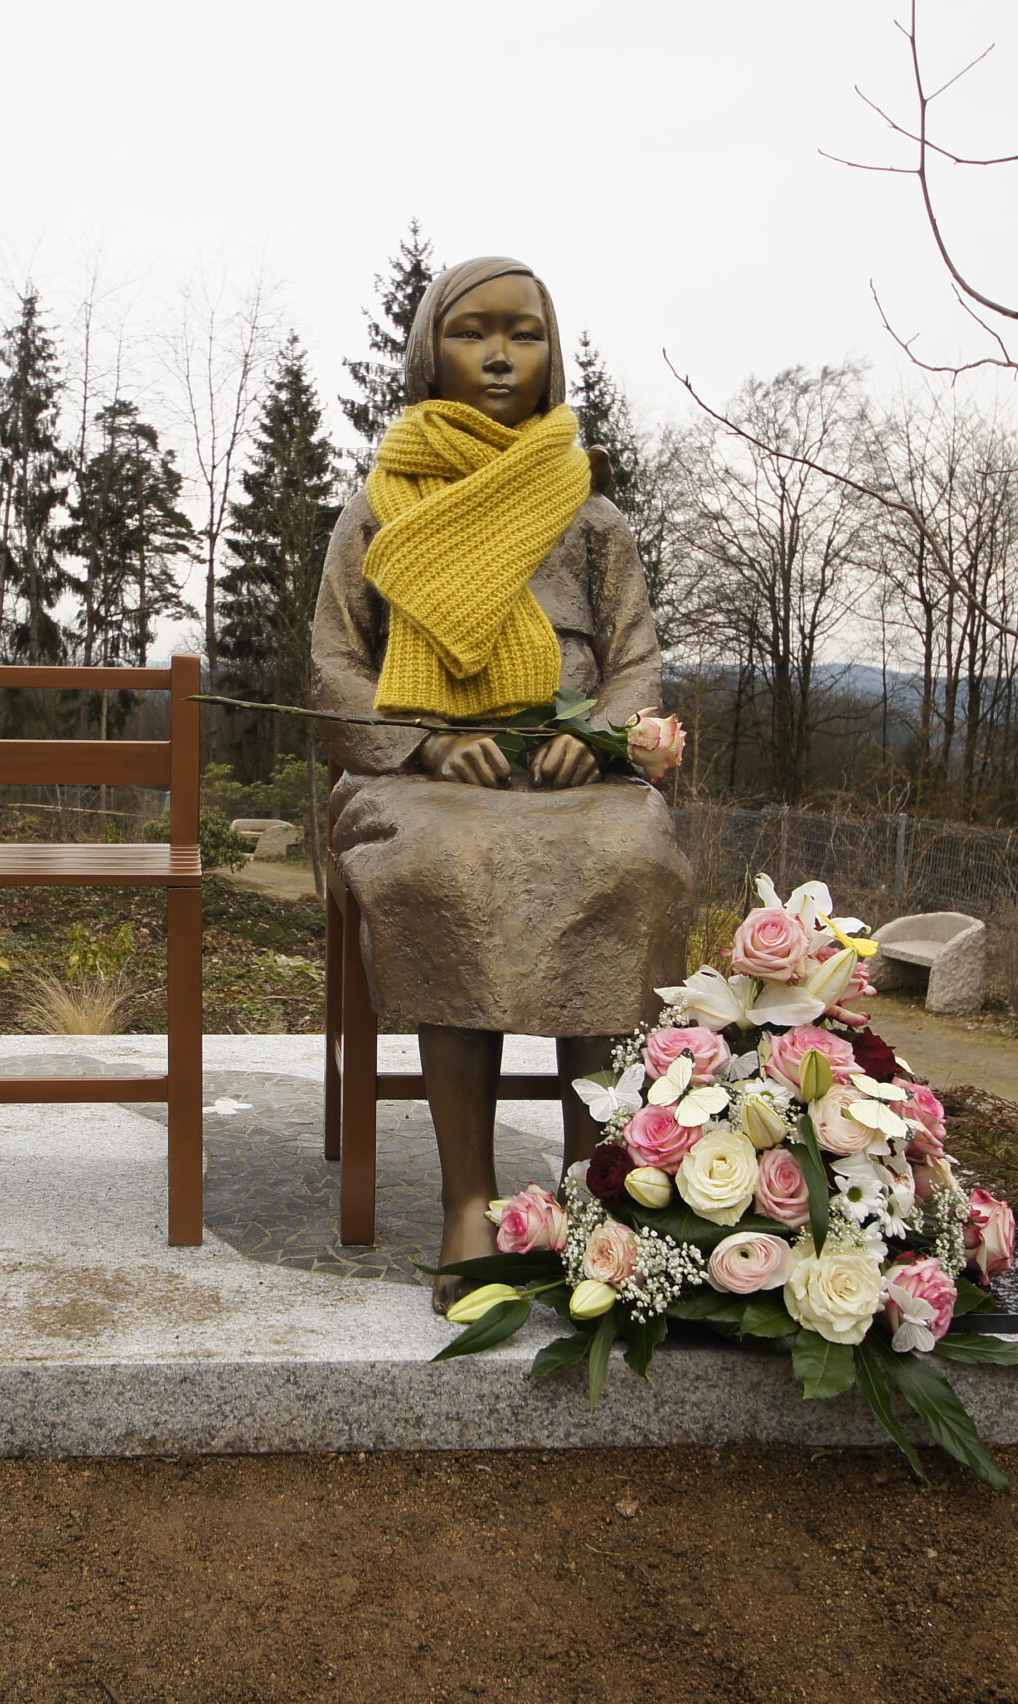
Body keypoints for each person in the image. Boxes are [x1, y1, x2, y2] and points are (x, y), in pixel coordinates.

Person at [309, 256, 691, 1310]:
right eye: (472, 331)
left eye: (521, 333)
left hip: (576, 786)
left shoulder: (591, 517)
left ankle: (596, 1192)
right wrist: (426, 743)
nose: (497, 354)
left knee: (631, 856)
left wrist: (605, 738)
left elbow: (636, 662)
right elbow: (333, 662)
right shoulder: (381, 502)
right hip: (422, 783)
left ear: (552, 354)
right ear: (430, 348)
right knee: (445, 864)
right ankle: (468, 1199)